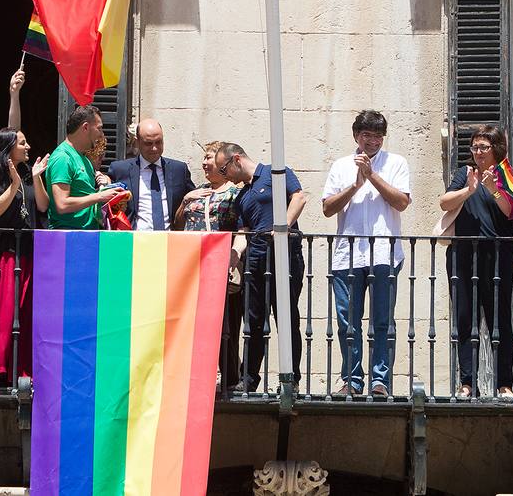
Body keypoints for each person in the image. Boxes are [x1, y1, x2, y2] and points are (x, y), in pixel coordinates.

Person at [321, 110, 411, 397]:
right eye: (367, 136)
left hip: (385, 253)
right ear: (356, 136)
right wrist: (354, 185)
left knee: (382, 320)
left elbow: (401, 202)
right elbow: (327, 208)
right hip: (347, 255)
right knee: (348, 321)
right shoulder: (340, 165)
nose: (372, 142)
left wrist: (372, 177)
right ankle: (351, 379)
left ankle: (380, 380)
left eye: (377, 137)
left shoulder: (396, 162)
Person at [214, 142, 306, 395]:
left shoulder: (277, 172)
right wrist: (234, 253)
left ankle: (292, 379)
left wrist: (283, 227)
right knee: (253, 320)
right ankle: (249, 378)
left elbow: (299, 197)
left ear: (236, 160)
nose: (225, 177)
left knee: (287, 318)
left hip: (286, 255)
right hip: (256, 258)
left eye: (224, 170)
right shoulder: (242, 196)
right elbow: (243, 232)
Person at [437, 125, 513, 399]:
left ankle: (504, 384)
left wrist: (494, 189)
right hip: (462, 255)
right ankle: (467, 383)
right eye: (475, 147)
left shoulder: (508, 174)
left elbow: (512, 210)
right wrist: (468, 191)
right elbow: (444, 202)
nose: (478, 152)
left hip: (497, 258)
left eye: (484, 147)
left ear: (496, 148)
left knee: (499, 321)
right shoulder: (464, 173)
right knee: (464, 320)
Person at [175, 141, 245, 392]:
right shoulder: (197, 190)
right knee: (196, 323)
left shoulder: (234, 194)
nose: (204, 163)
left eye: (209, 158)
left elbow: (241, 228)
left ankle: (227, 375)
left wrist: (235, 255)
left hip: (219, 265)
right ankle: (199, 374)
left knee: (224, 323)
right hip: (193, 265)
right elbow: (178, 225)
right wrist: (186, 200)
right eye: (203, 158)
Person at [0, 128, 39, 385]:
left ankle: (20, 369)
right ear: (8, 148)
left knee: (24, 312)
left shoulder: (26, 175)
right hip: (0, 253)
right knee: (0, 313)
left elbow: (42, 207)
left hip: (25, 252)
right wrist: (14, 184)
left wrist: (33, 179)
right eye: (22, 143)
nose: (27, 147)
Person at [37, 105, 126, 230]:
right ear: (85, 127)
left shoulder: (85, 159)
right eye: (99, 129)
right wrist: (100, 196)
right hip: (68, 238)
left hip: (86, 235)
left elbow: (87, 200)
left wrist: (111, 198)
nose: (101, 135)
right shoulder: (63, 157)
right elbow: (62, 204)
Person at [108, 119, 196, 231]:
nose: (154, 148)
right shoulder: (120, 170)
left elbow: (194, 202)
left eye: (158, 142)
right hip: (134, 242)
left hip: (170, 242)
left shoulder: (179, 170)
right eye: (148, 143)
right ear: (137, 142)